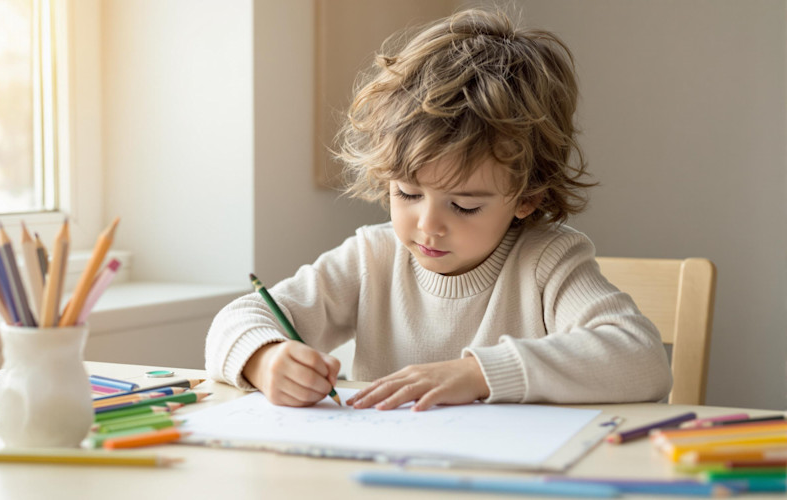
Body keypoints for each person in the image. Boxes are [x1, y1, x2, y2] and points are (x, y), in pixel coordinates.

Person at [205, 8, 672, 411]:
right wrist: (265, 359)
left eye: (465, 205)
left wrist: (478, 374)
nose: (428, 225)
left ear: (528, 196)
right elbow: (237, 320)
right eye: (407, 194)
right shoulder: (372, 257)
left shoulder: (547, 262)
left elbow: (642, 359)